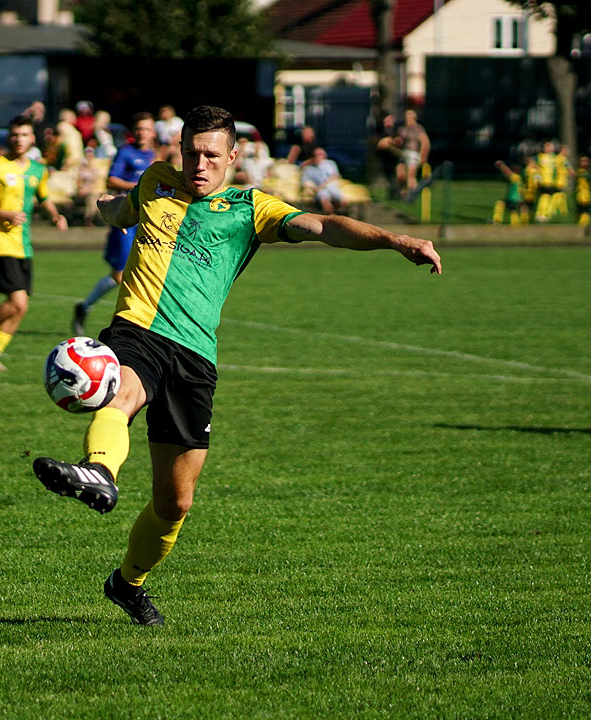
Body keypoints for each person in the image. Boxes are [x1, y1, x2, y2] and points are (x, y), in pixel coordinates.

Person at [30, 105, 441, 626]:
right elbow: (122, 210)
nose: (198, 165)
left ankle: (126, 583)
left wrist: (394, 240)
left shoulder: (251, 208)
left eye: (209, 155)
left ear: (232, 155)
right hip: (138, 330)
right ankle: (99, 471)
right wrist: (107, 207)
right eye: (190, 153)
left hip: (197, 355)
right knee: (123, 391)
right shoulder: (157, 182)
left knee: (175, 503)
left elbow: (323, 225)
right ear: (177, 152)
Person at [0, 115, 68, 372]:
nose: (18, 140)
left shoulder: (37, 169)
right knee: (17, 302)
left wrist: (55, 214)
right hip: (0, 240)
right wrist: (4, 214)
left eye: (24, 135)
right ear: (8, 138)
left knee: (21, 307)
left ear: (32, 139)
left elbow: (42, 195)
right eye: (14, 135)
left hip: (23, 244)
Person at [72, 112, 157, 336]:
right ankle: (87, 307)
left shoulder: (154, 155)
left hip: (146, 219)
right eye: (139, 128)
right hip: (125, 218)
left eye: (146, 129)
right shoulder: (125, 152)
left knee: (145, 270)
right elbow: (111, 179)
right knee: (120, 274)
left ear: (153, 132)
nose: (142, 133)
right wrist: (139, 186)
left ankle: (139, 322)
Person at [396, 109, 430, 198]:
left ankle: (414, 193)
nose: (408, 118)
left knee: (411, 176)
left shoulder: (419, 129)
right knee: (400, 175)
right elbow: (399, 142)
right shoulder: (402, 129)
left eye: (410, 115)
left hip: (413, 154)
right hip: (403, 153)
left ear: (415, 117)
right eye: (407, 116)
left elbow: (425, 142)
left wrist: (423, 156)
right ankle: (404, 192)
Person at [300, 146, 344, 213]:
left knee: (342, 200)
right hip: (319, 190)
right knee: (324, 200)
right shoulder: (309, 168)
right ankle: (331, 216)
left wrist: (323, 185)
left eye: (323, 154)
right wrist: (313, 188)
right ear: (313, 157)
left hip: (331, 186)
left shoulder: (330, 164)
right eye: (319, 155)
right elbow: (305, 181)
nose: (322, 157)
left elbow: (335, 176)